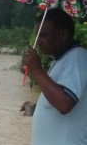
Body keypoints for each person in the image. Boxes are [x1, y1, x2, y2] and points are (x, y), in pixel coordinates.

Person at [21, 8, 87, 144]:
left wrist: (37, 70)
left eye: (43, 35)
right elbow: (58, 96)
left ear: (63, 34)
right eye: (37, 35)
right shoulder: (61, 60)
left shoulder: (77, 57)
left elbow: (64, 104)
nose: (38, 41)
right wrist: (39, 107)